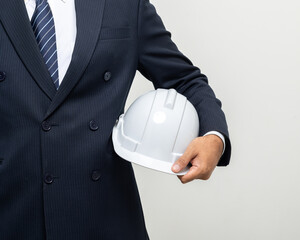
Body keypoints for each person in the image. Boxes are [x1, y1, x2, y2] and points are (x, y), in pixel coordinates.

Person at [0, 0, 231, 239]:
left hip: (105, 216)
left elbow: (184, 80)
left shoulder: (125, 4)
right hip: (13, 214)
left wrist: (214, 137)